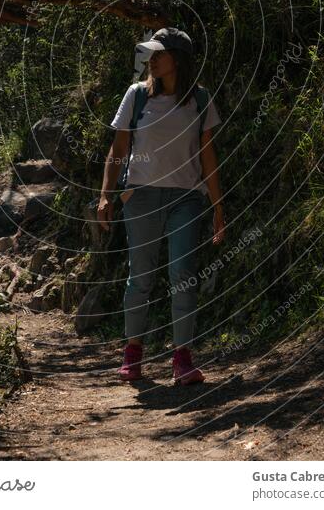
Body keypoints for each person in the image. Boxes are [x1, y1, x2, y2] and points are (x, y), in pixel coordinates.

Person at [97, 27, 225, 385]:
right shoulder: (136, 96)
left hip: (186, 198)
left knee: (183, 274)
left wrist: (218, 207)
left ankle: (182, 359)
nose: (151, 60)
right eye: (149, 54)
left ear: (178, 60)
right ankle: (132, 354)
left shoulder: (199, 99)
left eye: (159, 54)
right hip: (141, 196)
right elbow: (118, 150)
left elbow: (207, 155)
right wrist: (106, 194)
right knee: (140, 276)